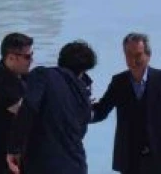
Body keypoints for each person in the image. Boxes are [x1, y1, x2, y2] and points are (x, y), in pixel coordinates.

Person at [91, 33, 161, 174]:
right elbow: (101, 110)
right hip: (130, 158)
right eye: (128, 54)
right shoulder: (119, 82)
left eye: (138, 55)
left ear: (148, 55)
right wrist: (77, 109)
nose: (133, 60)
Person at [7, 40, 98, 174]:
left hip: (43, 165)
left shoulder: (42, 75)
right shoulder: (84, 94)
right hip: (76, 166)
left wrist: (14, 148)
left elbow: (29, 107)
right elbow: (80, 131)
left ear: (60, 60)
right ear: (83, 70)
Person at [0, 33, 33, 174]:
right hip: (0, 164)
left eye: (32, 55)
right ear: (11, 57)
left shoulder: (17, 76)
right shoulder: (3, 85)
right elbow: (28, 113)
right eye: (27, 57)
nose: (31, 60)